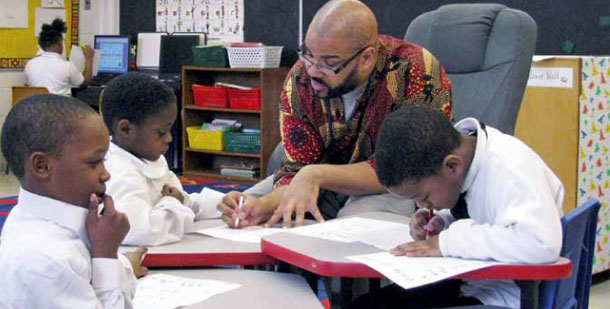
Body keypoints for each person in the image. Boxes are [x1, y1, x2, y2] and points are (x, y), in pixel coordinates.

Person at [218, 0, 452, 228]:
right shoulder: (300, 79)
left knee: (351, 233)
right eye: (308, 55)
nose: (312, 71)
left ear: (366, 58)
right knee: (236, 212)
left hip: (394, 186)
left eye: (329, 63)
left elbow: (405, 168)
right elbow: (296, 170)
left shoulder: (416, 72)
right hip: (320, 178)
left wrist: (317, 175)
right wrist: (262, 206)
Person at [350, 105, 564, 308]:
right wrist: (443, 219)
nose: (421, 204)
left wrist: (447, 242)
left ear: (452, 165)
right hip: (474, 284)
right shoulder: (467, 160)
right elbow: (485, 216)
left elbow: (540, 243)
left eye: (423, 196)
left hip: (507, 298)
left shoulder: (508, 170)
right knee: (363, 306)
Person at [0, 94, 147, 308]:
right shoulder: (45, 260)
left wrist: (116, 260)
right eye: (94, 162)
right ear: (42, 166)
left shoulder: (51, 222)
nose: (106, 174)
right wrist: (106, 256)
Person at [101, 72, 222, 246]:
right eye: (161, 132)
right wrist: (171, 201)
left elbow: (182, 200)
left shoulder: (149, 158)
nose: (169, 138)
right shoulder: (119, 174)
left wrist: (220, 204)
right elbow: (146, 232)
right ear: (126, 129)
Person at [24, 18, 94, 95]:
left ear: (41, 45)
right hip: (60, 106)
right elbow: (84, 83)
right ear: (59, 44)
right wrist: (89, 59)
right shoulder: (67, 66)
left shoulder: (30, 65)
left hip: (37, 106)